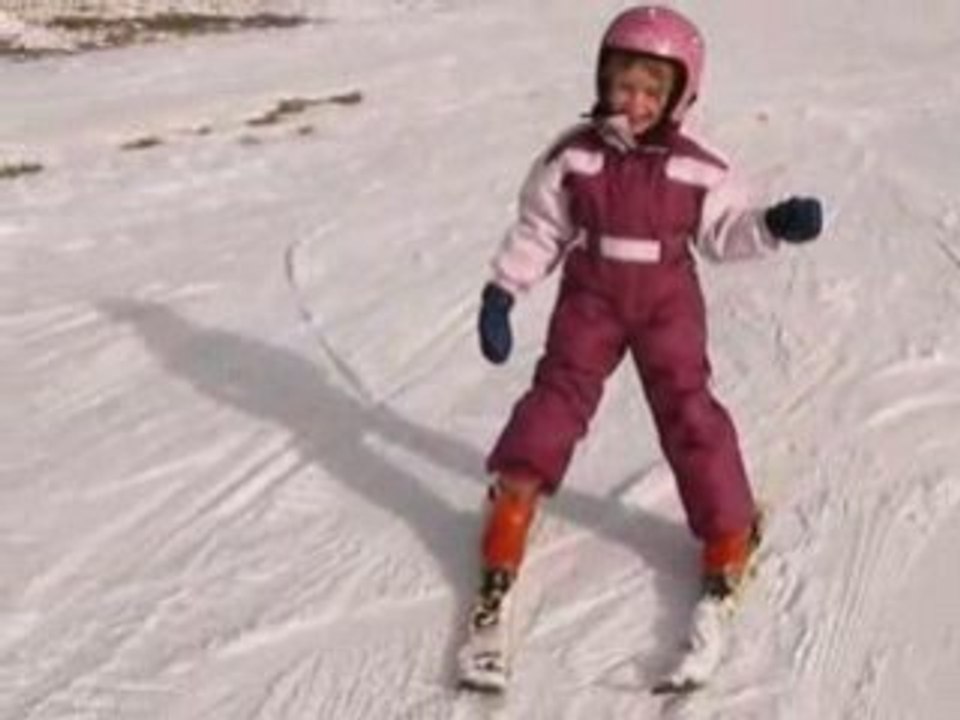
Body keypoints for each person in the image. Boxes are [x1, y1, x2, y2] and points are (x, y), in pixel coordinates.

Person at [474, 6, 823, 605]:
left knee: (687, 407)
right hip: (591, 298)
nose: (633, 101)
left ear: (679, 96)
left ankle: (727, 527)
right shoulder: (575, 156)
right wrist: (503, 292)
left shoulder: (696, 166)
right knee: (558, 395)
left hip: (667, 303)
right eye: (622, 85)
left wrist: (770, 224)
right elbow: (541, 229)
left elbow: (722, 232)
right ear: (602, 81)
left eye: (650, 90)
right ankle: (514, 496)